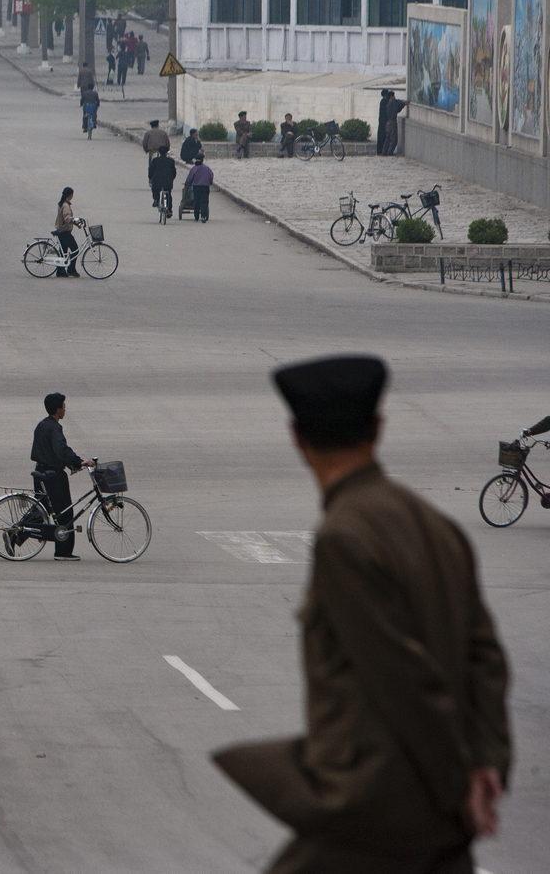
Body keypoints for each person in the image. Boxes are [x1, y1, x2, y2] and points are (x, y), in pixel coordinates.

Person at [214, 355, 511, 874]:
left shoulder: (344, 537)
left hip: (378, 810)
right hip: (431, 818)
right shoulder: (436, 524)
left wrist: (456, 786)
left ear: (296, 438)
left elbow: (402, 677)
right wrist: (487, 763)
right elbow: (484, 657)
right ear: (378, 428)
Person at [22, 392, 93, 559]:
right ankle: (63, 551)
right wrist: (79, 462)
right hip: (53, 476)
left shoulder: (42, 425)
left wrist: (72, 463)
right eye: (63, 407)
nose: (65, 410)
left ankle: (16, 534)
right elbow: (61, 451)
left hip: (40, 472)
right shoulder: (54, 427)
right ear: (57, 409)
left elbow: (50, 451)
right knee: (65, 513)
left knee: (43, 509)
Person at [54, 187, 80, 278]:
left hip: (61, 231)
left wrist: (76, 224)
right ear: (70, 195)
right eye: (72, 194)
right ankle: (71, 269)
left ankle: (60, 271)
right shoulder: (65, 205)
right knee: (75, 250)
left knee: (63, 252)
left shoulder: (62, 203)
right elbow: (67, 218)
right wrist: (75, 219)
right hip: (65, 232)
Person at [377, 88, 407, 155]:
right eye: (394, 96)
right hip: (392, 123)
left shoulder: (385, 102)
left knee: (387, 139)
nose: (394, 97)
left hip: (387, 123)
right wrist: (404, 103)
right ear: (391, 96)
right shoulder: (391, 103)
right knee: (394, 140)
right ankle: (389, 153)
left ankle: (384, 152)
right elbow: (397, 107)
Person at [148, 146, 177, 214]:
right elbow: (174, 172)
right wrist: (172, 179)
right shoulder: (171, 161)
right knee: (168, 194)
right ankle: (169, 210)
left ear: (159, 152)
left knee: (155, 189)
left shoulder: (155, 160)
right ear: (167, 153)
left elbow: (151, 171)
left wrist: (150, 178)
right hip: (168, 181)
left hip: (157, 181)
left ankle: (156, 199)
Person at [186, 156, 214, 222]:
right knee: (204, 201)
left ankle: (196, 217)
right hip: (205, 186)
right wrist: (210, 182)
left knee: (197, 201)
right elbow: (211, 176)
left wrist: (187, 184)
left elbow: (190, 178)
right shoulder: (207, 168)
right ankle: (204, 216)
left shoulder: (194, 169)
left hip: (196, 187)